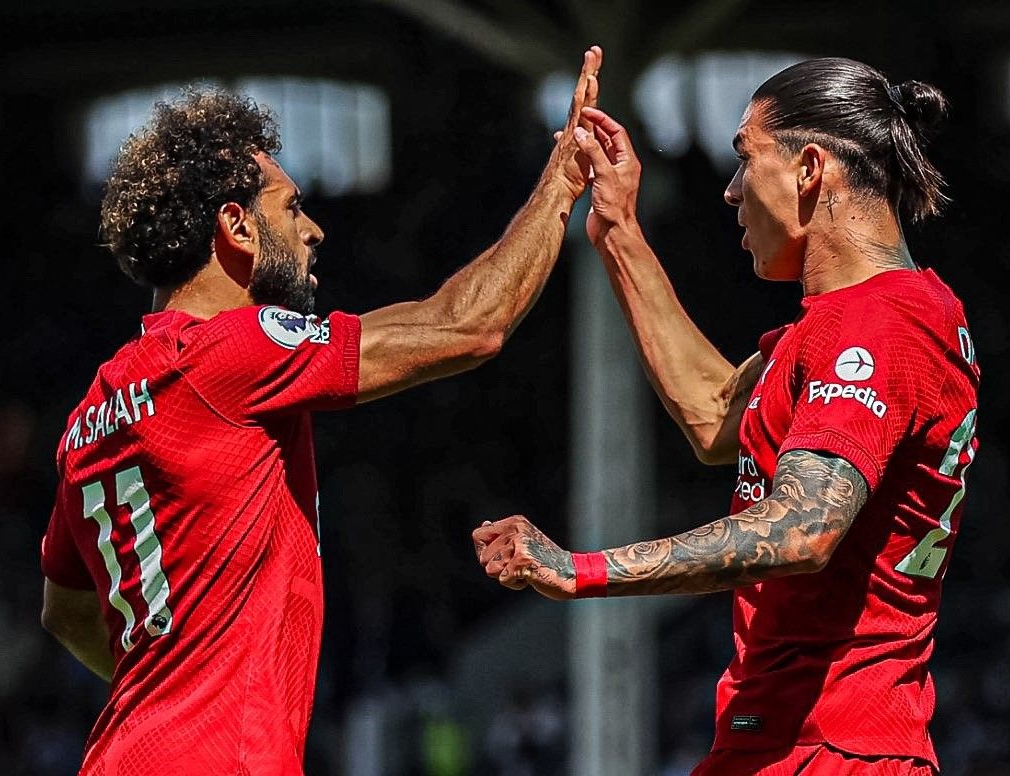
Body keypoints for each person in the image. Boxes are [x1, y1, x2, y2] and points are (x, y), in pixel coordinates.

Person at [38, 47, 603, 775]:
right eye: (293, 208)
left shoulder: (94, 408)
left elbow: (65, 610)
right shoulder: (231, 351)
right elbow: (467, 325)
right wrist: (562, 178)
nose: (315, 231)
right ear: (237, 228)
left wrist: (175, 690)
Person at [472, 56, 979, 775]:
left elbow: (802, 529)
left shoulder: (877, 325)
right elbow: (716, 418)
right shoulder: (859, 322)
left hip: (831, 745)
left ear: (810, 168)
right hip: (786, 739)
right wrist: (617, 229)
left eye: (746, 159)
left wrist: (578, 569)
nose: (731, 188)